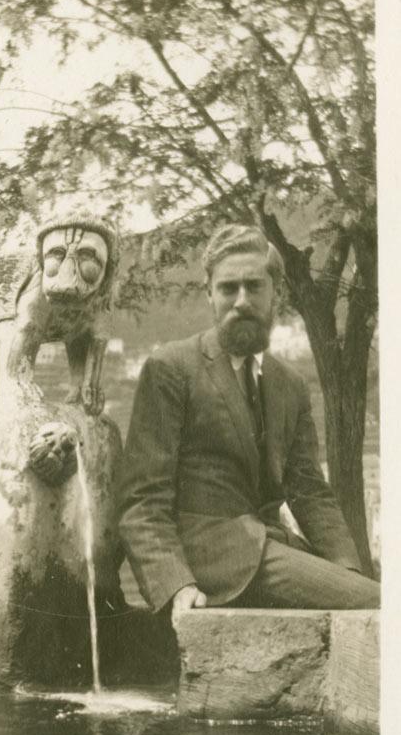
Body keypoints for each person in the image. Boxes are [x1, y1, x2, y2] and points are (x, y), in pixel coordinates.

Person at [118, 224, 380, 622]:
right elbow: (142, 500)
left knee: (367, 597)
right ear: (210, 294)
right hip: (209, 557)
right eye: (228, 288)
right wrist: (176, 584)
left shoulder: (289, 383)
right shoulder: (172, 368)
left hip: (270, 550)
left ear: (276, 292)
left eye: (254, 287)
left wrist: (345, 570)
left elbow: (309, 491)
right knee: (379, 604)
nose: (241, 301)